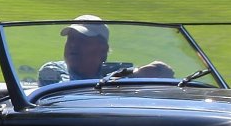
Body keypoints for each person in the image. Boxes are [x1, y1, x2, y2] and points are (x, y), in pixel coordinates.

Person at [37, 15, 174, 84]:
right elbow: (72, 91)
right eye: (71, 39)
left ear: (103, 49)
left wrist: (155, 71)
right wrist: (134, 75)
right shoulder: (53, 70)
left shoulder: (111, 74)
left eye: (82, 40)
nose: (73, 44)